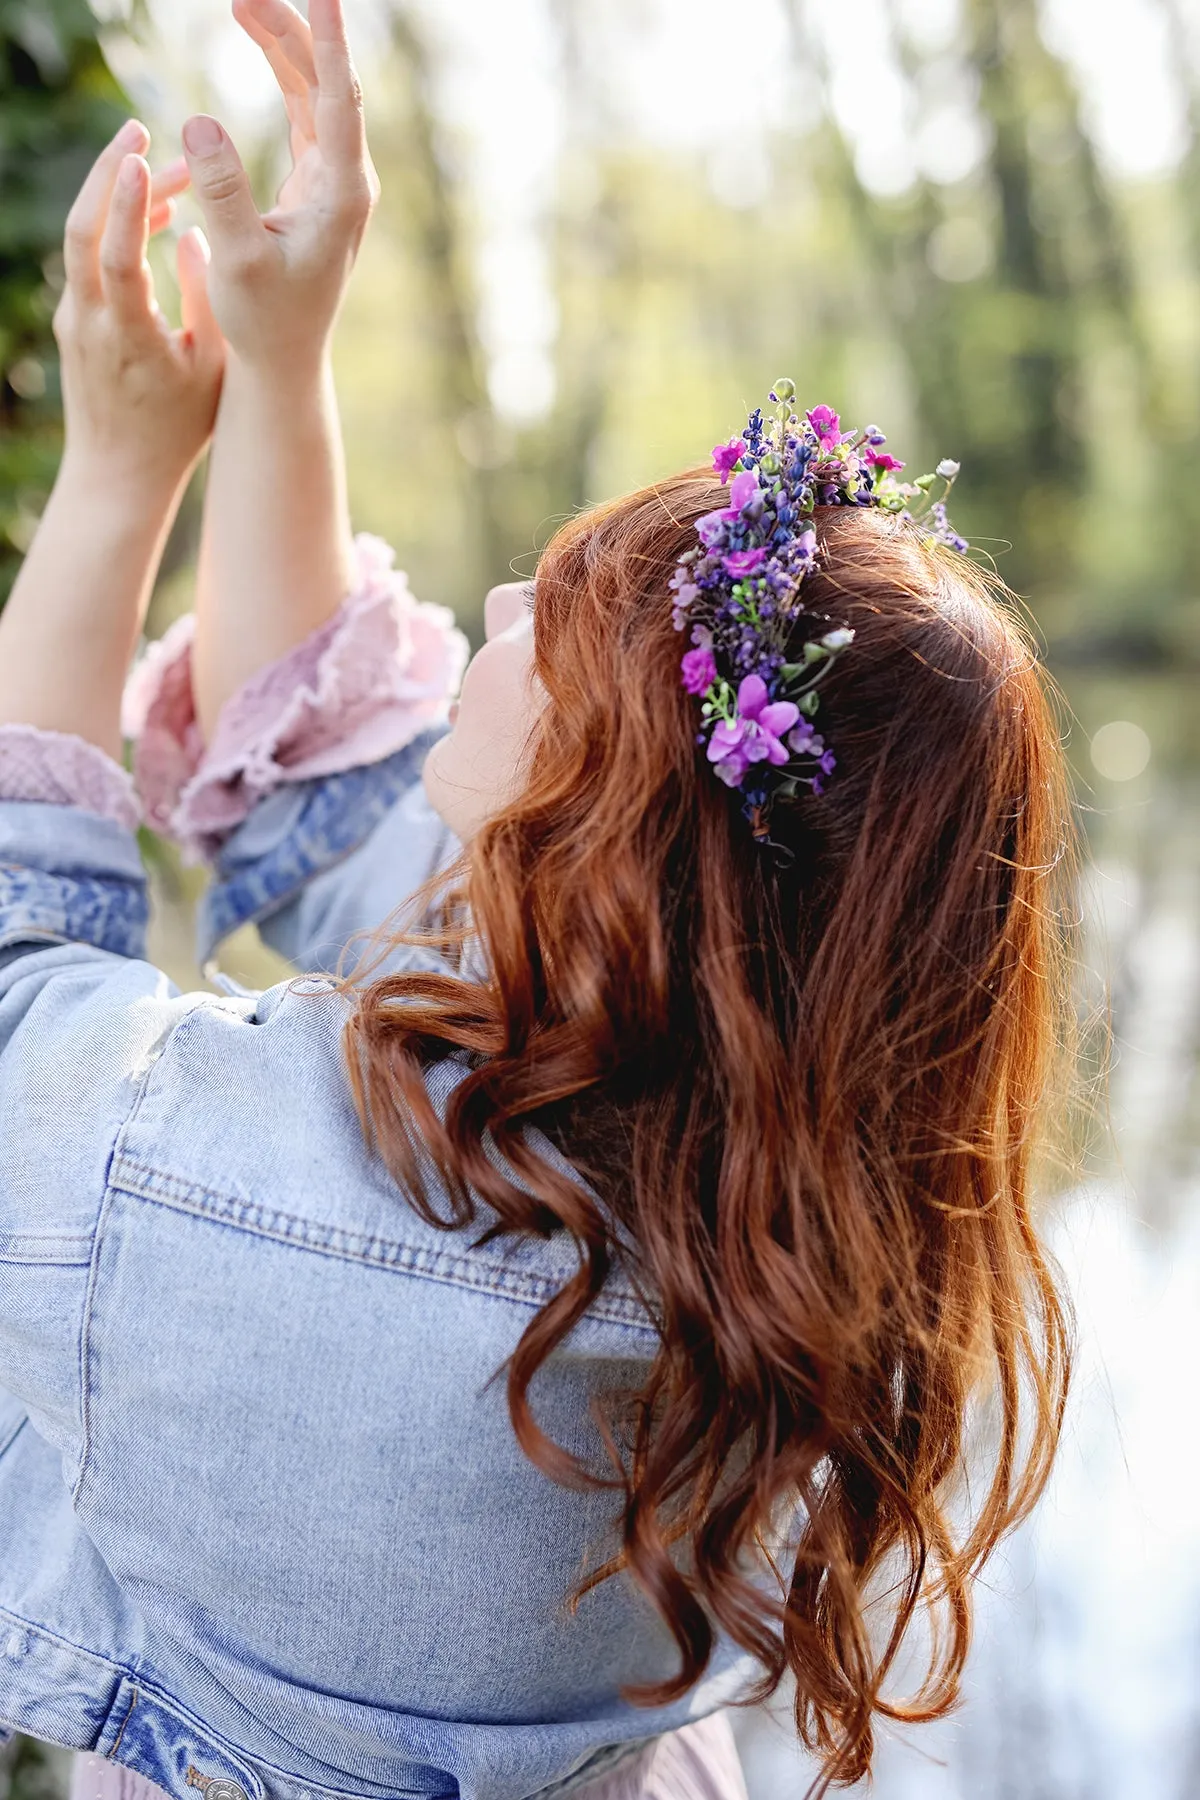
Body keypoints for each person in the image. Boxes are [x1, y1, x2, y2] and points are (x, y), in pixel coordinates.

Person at [0, 3, 1074, 1798]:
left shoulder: (233, 1197)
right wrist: (282, 356)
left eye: (553, 624)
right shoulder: (765, 1184)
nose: (498, 604)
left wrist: (114, 479)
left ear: (615, 804)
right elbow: (327, 799)